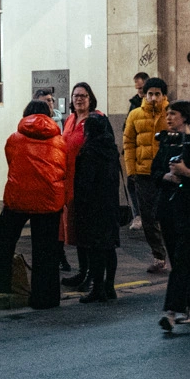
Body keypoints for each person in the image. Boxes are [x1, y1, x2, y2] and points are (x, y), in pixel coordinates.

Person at [0, 100, 66, 311]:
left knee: (3, 238)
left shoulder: (14, 139)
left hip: (18, 197)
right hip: (49, 199)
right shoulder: (60, 141)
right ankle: (45, 298)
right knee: (46, 250)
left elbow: (12, 161)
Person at [154, 101, 190, 333]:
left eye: (174, 114)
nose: (169, 117)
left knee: (181, 259)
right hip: (168, 207)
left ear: (185, 117)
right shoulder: (166, 142)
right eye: (167, 114)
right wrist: (167, 177)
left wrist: (186, 172)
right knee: (180, 261)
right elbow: (154, 171)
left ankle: (170, 312)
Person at [69, 112, 124, 303]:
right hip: (109, 204)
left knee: (94, 249)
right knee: (109, 247)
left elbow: (85, 182)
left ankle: (98, 289)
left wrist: (80, 202)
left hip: (92, 206)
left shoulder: (90, 151)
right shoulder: (111, 149)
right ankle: (110, 287)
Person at [121, 79, 172, 272]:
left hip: (166, 174)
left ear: (163, 95)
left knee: (166, 216)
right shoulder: (135, 115)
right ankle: (158, 256)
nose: (153, 98)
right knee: (148, 217)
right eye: (150, 94)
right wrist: (131, 171)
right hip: (143, 173)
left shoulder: (170, 114)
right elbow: (128, 143)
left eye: (157, 94)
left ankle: (171, 252)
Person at [58, 81, 99, 282]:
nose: (79, 99)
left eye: (83, 95)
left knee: (87, 229)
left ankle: (91, 274)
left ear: (90, 99)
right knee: (76, 230)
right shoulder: (70, 120)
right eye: (76, 96)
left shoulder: (96, 119)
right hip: (69, 182)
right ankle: (83, 271)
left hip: (86, 182)